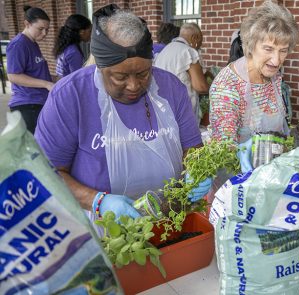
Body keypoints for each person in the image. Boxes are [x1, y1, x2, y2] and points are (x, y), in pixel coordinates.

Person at [34, 4, 211, 223]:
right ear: (100, 66)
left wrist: (197, 171)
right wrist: (98, 201)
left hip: (168, 218)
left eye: (144, 73)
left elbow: (192, 148)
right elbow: (45, 173)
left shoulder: (171, 88)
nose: (134, 85)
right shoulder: (69, 96)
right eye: (120, 77)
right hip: (103, 226)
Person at [210, 0, 298, 149]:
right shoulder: (227, 86)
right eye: (268, 49)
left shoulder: (273, 77)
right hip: (242, 171)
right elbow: (224, 150)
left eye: (283, 51)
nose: (276, 61)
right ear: (251, 45)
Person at [6, 5, 53, 133]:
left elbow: (35, 72)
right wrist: (46, 84)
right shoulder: (18, 44)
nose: (44, 33)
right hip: (27, 105)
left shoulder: (32, 43)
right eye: (41, 29)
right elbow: (13, 76)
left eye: (47, 29)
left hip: (37, 102)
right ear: (27, 24)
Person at [154, 23, 209, 120]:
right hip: (183, 111)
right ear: (194, 38)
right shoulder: (189, 52)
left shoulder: (166, 49)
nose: (200, 45)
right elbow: (200, 87)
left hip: (164, 109)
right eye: (200, 40)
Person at [54, 14, 92, 79]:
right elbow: (78, 79)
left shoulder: (65, 46)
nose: (91, 34)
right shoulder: (73, 51)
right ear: (81, 32)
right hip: (69, 87)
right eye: (90, 31)